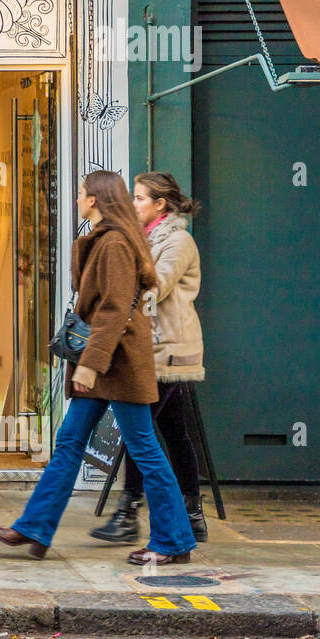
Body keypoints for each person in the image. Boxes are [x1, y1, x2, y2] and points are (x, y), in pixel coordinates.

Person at [0, 170, 196, 565]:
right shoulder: (104, 240)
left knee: (146, 450)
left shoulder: (116, 243)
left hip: (117, 367)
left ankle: (173, 540)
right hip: (103, 367)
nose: (77, 198)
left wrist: (90, 365)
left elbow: (115, 309)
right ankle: (34, 527)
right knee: (69, 445)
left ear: (95, 200)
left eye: (81, 193)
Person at [91, 172, 208, 544]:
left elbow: (157, 285)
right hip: (153, 348)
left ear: (161, 204)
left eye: (140, 198)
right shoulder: (142, 238)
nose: (133, 204)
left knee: (138, 433)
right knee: (173, 433)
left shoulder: (178, 241)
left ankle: (129, 513)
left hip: (168, 350)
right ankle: (192, 514)